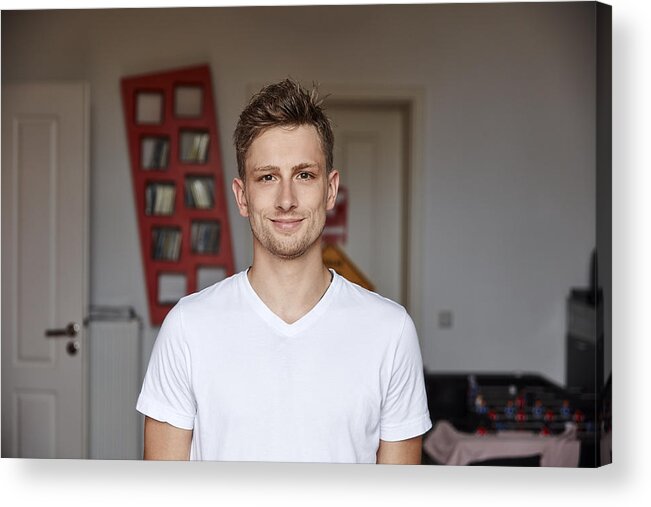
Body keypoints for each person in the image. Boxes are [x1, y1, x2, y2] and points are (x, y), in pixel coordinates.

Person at [136, 78, 432, 463]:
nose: (287, 200)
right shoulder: (187, 328)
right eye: (267, 177)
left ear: (330, 189)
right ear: (243, 196)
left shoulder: (391, 332)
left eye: (304, 175)